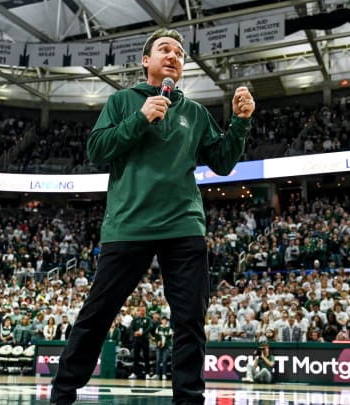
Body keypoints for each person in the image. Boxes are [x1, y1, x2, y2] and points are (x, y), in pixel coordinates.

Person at [49, 27, 254, 405]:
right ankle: (62, 394)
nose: (174, 55)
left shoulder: (194, 112)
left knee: (190, 320)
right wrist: (140, 119)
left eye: (179, 52)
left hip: (183, 225)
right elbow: (97, 149)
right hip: (129, 225)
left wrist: (240, 123)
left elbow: (223, 163)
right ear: (146, 61)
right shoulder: (123, 101)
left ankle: (189, 400)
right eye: (164, 49)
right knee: (97, 315)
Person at [152, 316, 173, 380]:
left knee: (164, 360)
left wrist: (165, 343)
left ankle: (164, 374)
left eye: (165, 320)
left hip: (166, 347)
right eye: (163, 320)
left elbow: (169, 338)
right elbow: (156, 337)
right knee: (158, 360)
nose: (164, 321)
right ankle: (157, 374)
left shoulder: (169, 328)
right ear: (161, 321)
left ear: (167, 321)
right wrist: (158, 341)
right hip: (158, 346)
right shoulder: (158, 328)